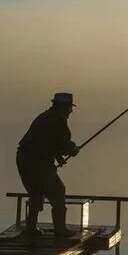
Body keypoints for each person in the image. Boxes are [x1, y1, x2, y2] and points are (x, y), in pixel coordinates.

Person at [16, 92, 79, 237]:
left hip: (23, 158)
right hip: (38, 162)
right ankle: (60, 230)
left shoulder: (45, 116)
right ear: (64, 107)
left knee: (36, 192)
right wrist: (73, 149)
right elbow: (65, 145)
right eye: (70, 107)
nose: (71, 111)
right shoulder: (59, 120)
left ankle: (30, 228)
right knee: (58, 191)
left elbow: (48, 140)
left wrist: (56, 156)